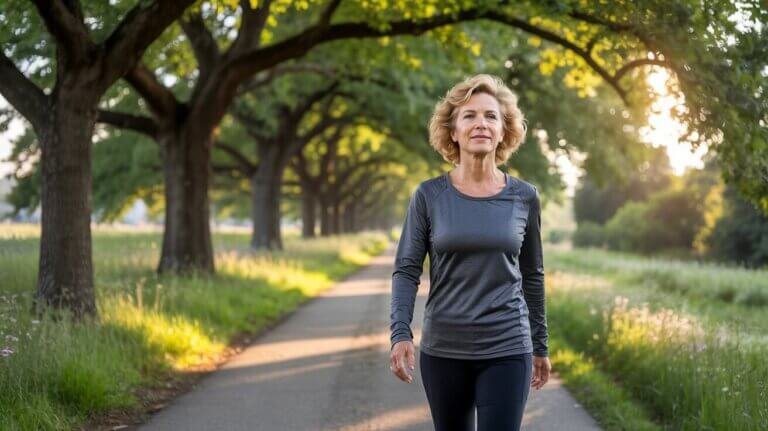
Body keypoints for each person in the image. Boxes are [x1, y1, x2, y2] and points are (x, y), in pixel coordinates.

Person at [389, 73, 551, 431]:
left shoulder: (525, 196)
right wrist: (400, 333)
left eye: (491, 116)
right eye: (470, 115)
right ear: (453, 131)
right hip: (444, 349)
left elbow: (533, 275)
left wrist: (540, 344)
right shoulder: (429, 196)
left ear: (504, 130)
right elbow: (406, 270)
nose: (481, 123)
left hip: (508, 346)